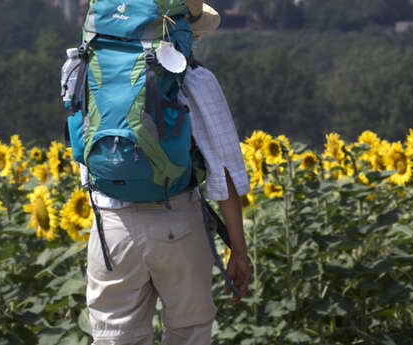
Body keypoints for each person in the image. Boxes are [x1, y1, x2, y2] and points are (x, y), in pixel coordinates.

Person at [84, 1, 251, 344]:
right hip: (177, 219)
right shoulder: (194, 77)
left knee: (115, 338)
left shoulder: (91, 65)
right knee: (188, 333)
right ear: (183, 29)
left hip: (110, 227)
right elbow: (225, 170)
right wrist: (239, 248)